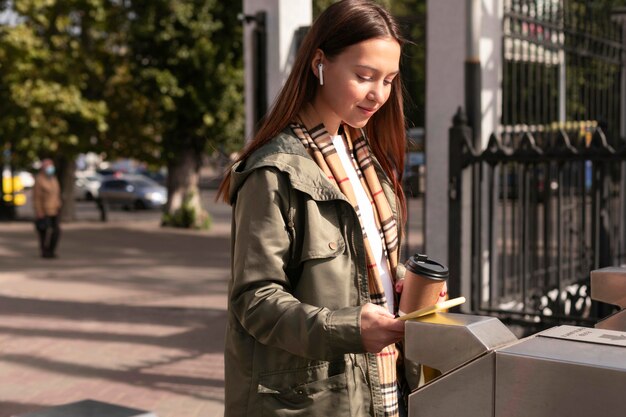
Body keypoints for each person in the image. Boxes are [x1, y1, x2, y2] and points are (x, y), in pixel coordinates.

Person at [218, 1, 415, 415]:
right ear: (319, 63)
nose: (378, 94)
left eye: (389, 80)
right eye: (364, 76)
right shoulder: (273, 172)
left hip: (381, 385)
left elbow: (365, 269)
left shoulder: (366, 160)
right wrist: (350, 328)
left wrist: (410, 288)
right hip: (312, 400)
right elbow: (254, 300)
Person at [33, 159, 62, 258]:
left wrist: (59, 205)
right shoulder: (39, 179)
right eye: (48, 166)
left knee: (56, 231)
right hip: (44, 210)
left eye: (51, 165)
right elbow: (36, 197)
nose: (50, 168)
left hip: (55, 209)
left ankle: (51, 250)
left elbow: (57, 194)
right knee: (43, 232)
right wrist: (39, 211)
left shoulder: (53, 178)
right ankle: (44, 251)